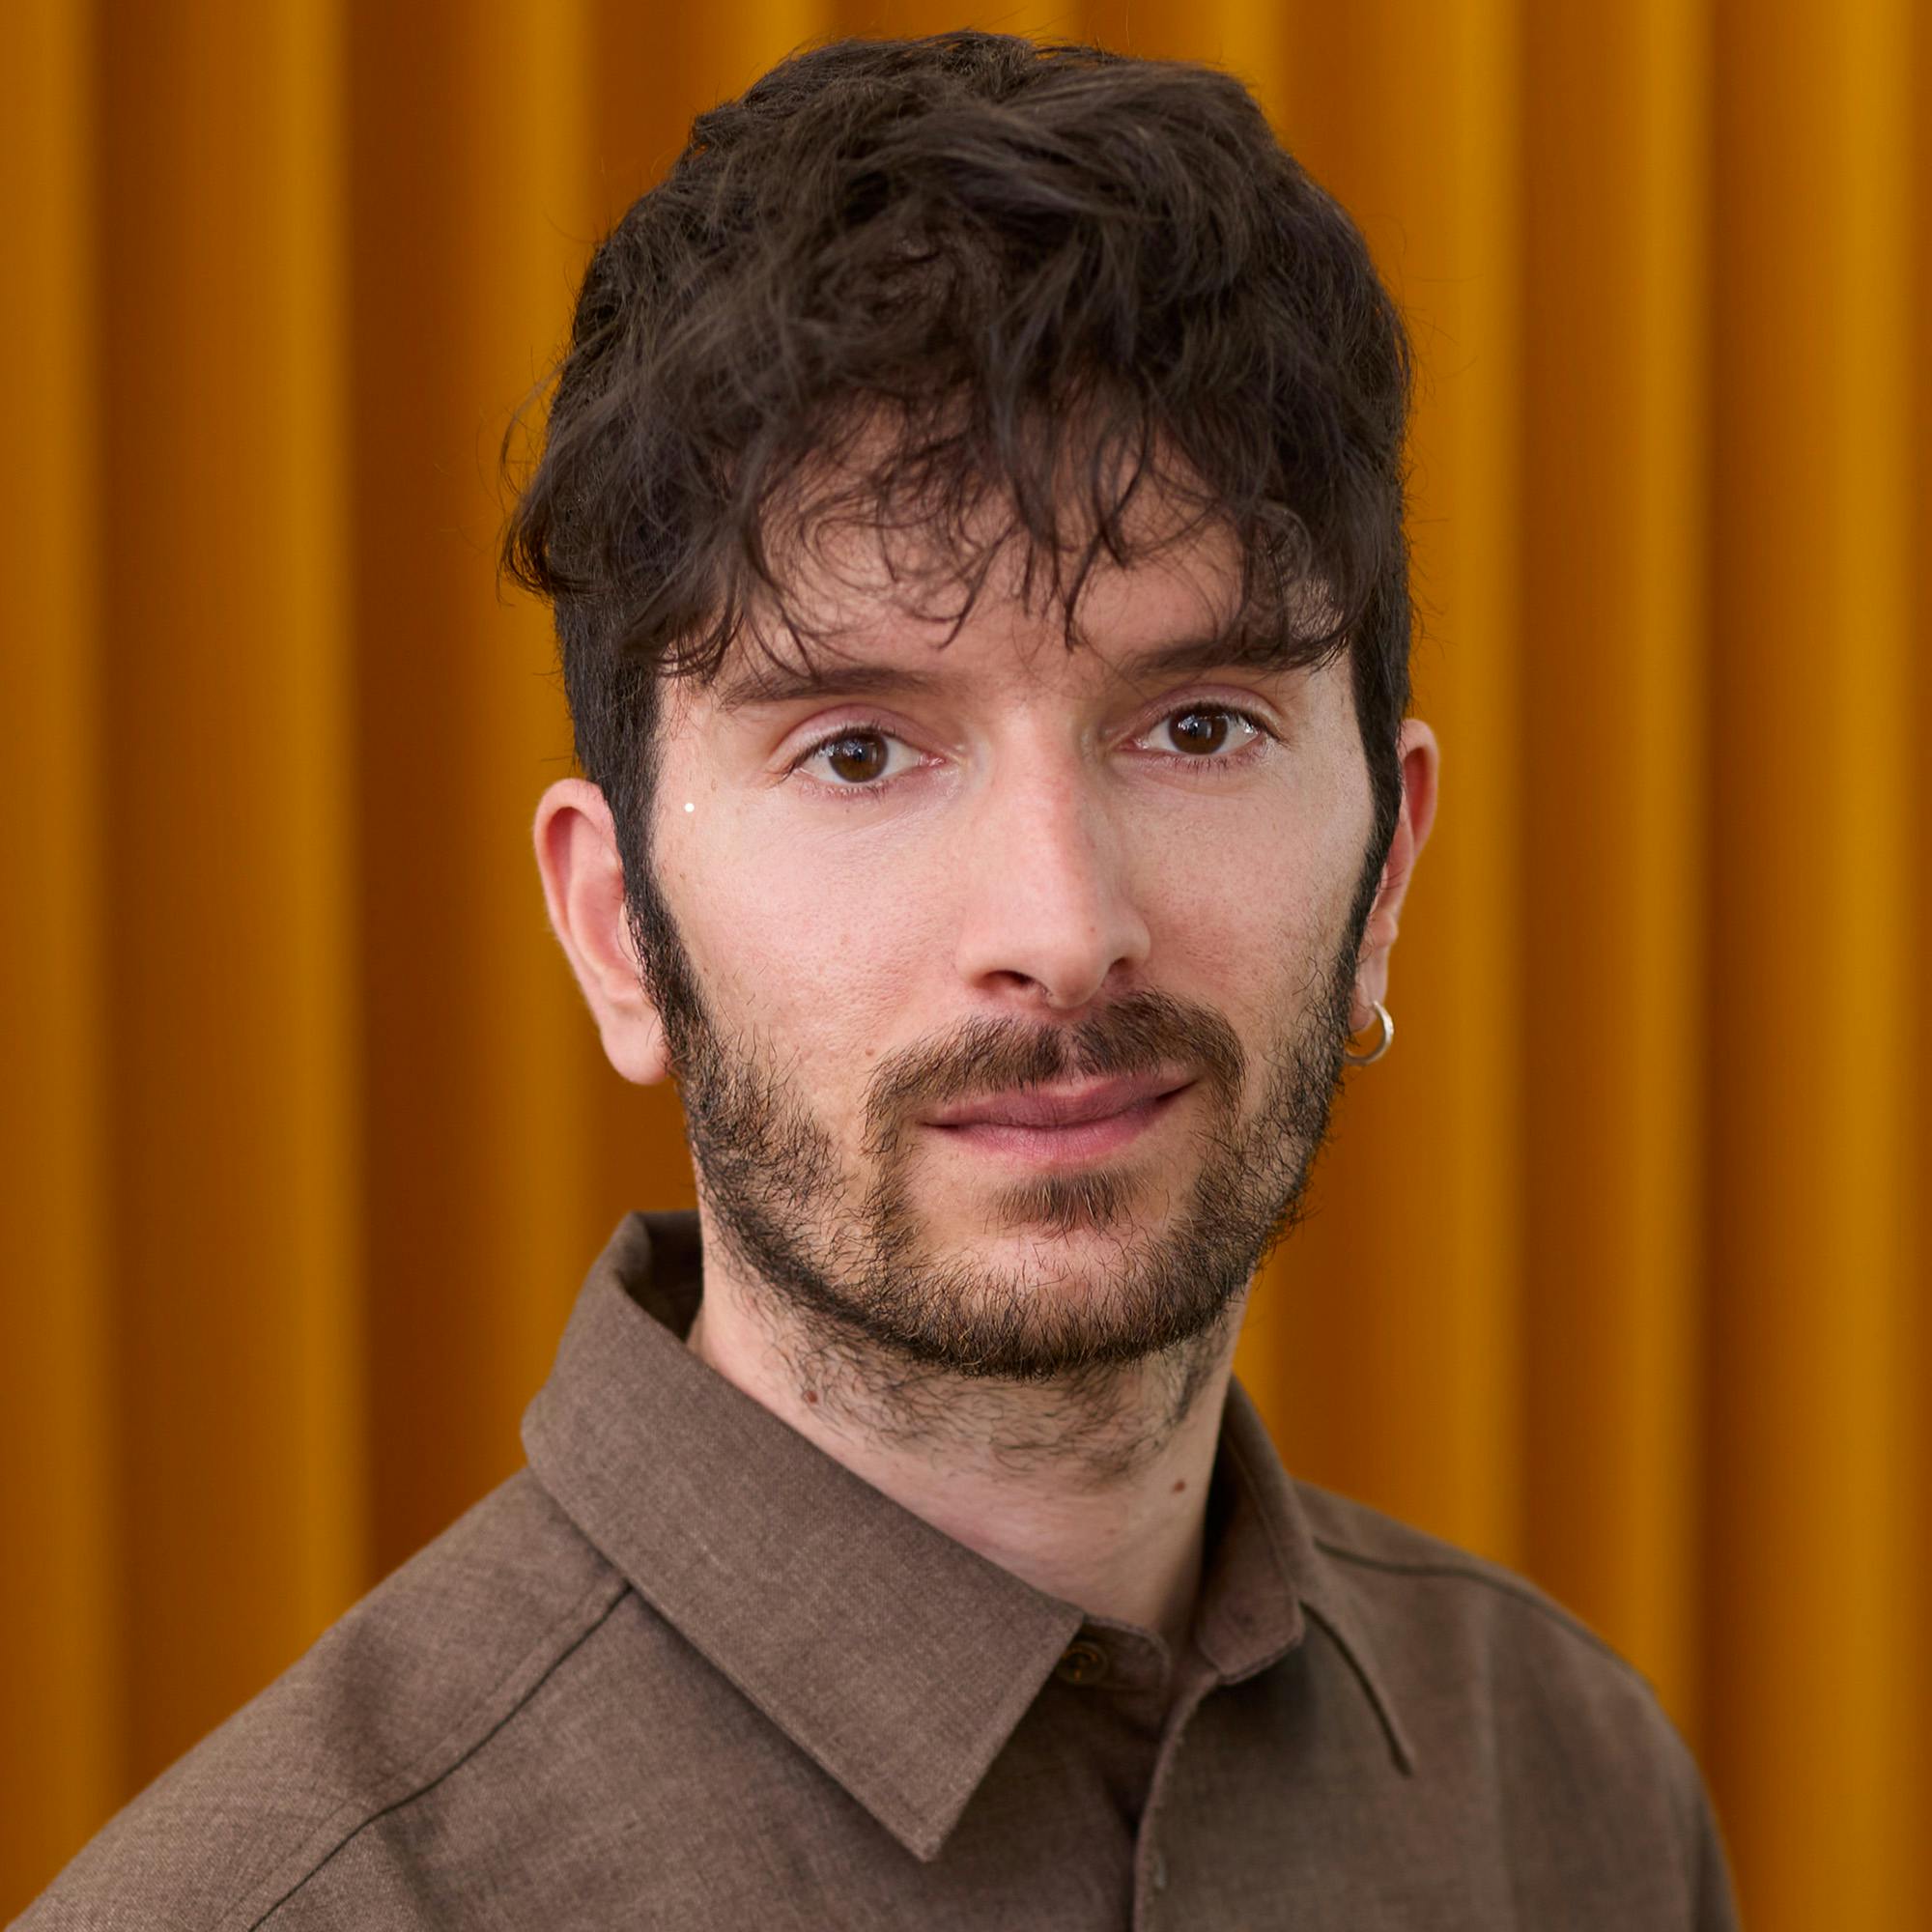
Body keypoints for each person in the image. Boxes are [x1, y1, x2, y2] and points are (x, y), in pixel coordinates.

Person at [20, 29, 1737, 1930]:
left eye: (1197, 724)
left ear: (1388, 869)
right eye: (858, 751)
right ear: (618, 929)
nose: (1062, 925)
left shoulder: (1573, 1792)